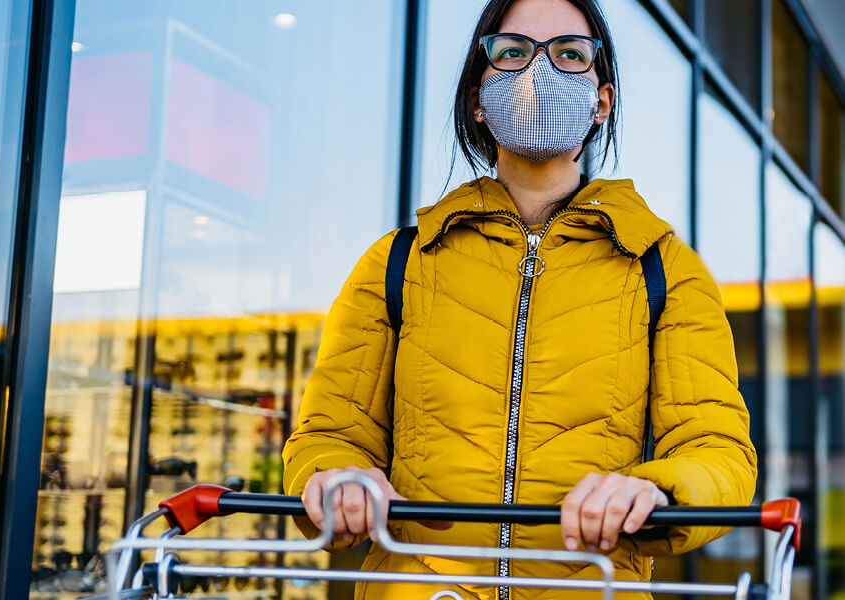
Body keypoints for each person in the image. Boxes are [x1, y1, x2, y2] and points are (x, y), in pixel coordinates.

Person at [282, 0, 758, 598]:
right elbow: (330, 433)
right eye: (512, 52)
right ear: (479, 99)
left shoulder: (663, 268)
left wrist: (656, 490)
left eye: (569, 54)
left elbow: (717, 451)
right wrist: (336, 477)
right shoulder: (398, 263)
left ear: (601, 100)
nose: (540, 72)